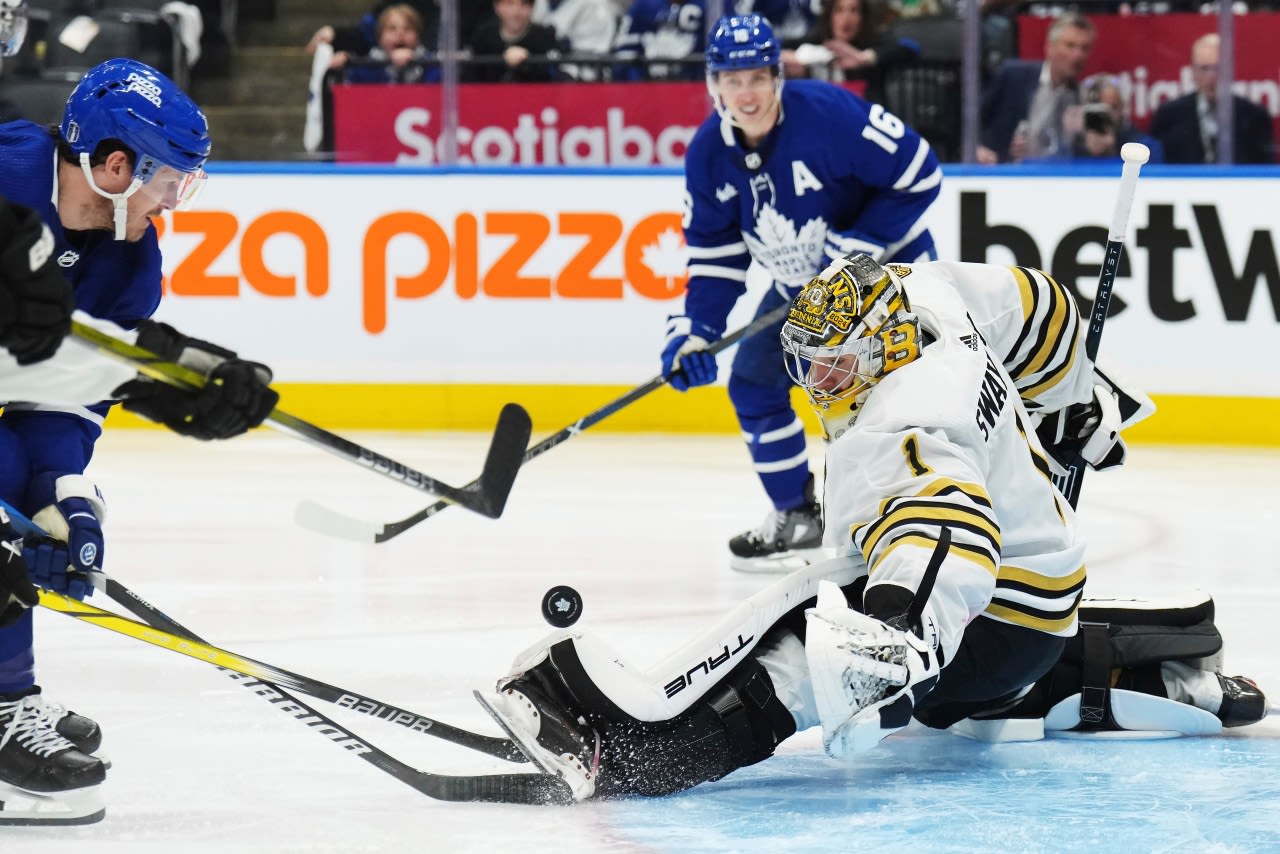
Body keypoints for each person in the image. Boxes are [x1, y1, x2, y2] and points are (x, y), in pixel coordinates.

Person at [478, 254, 1266, 802]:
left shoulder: (903, 422)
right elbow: (1046, 309)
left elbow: (947, 536)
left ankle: (643, 755)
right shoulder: (936, 292)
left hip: (994, 615)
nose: (818, 384)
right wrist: (1072, 395)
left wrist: (896, 634)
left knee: (803, 631)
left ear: (883, 343)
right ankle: (1119, 676)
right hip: (1041, 588)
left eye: (835, 365)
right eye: (809, 364)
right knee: (839, 614)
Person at [0, 59, 279, 826]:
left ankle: (6, 691)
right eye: (169, 182)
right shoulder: (5, 179)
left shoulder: (130, 258)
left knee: (21, 480)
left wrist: (64, 496)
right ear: (116, 165)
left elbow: (66, 398)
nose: (171, 203)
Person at [661, 13, 940, 572]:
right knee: (755, 384)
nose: (747, 92)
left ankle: (921, 519)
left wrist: (856, 246)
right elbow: (717, 258)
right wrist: (695, 332)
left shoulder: (829, 115)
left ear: (777, 76)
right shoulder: (707, 156)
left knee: (890, 402)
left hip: (888, 275)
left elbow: (919, 172)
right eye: (733, 80)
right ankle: (798, 517)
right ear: (713, 84)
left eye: (758, 77)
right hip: (803, 291)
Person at [977, 12, 1094, 164]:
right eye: (1070, 46)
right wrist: (976, 148)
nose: (1078, 55)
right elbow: (973, 119)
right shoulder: (1013, 76)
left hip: (1057, 179)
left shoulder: (1083, 98)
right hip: (1003, 173)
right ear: (1049, 48)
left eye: (1084, 48)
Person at [1148, 33, 1273, 166]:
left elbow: (1264, 168)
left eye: (1218, 68)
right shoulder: (1169, 115)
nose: (1212, 76)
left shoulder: (1255, 116)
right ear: (1193, 72)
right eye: (1204, 68)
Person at [781, 0, 920, 106]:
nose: (846, 18)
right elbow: (776, 46)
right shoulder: (817, 42)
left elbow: (911, 47)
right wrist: (795, 58)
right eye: (839, 10)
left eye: (854, 11)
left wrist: (864, 58)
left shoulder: (871, 44)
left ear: (863, 18)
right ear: (830, 16)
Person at [340, 3, 435, 84]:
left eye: (408, 28)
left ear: (418, 37)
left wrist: (411, 63)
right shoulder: (366, 67)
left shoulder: (432, 65)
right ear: (380, 37)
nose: (400, 33)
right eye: (392, 28)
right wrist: (342, 64)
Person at [468, 0, 560, 83]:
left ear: (532, 7)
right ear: (497, 6)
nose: (516, 12)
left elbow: (552, 78)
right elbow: (472, 78)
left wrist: (526, 64)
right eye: (509, 3)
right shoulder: (483, 36)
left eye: (524, 4)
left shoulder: (545, 37)